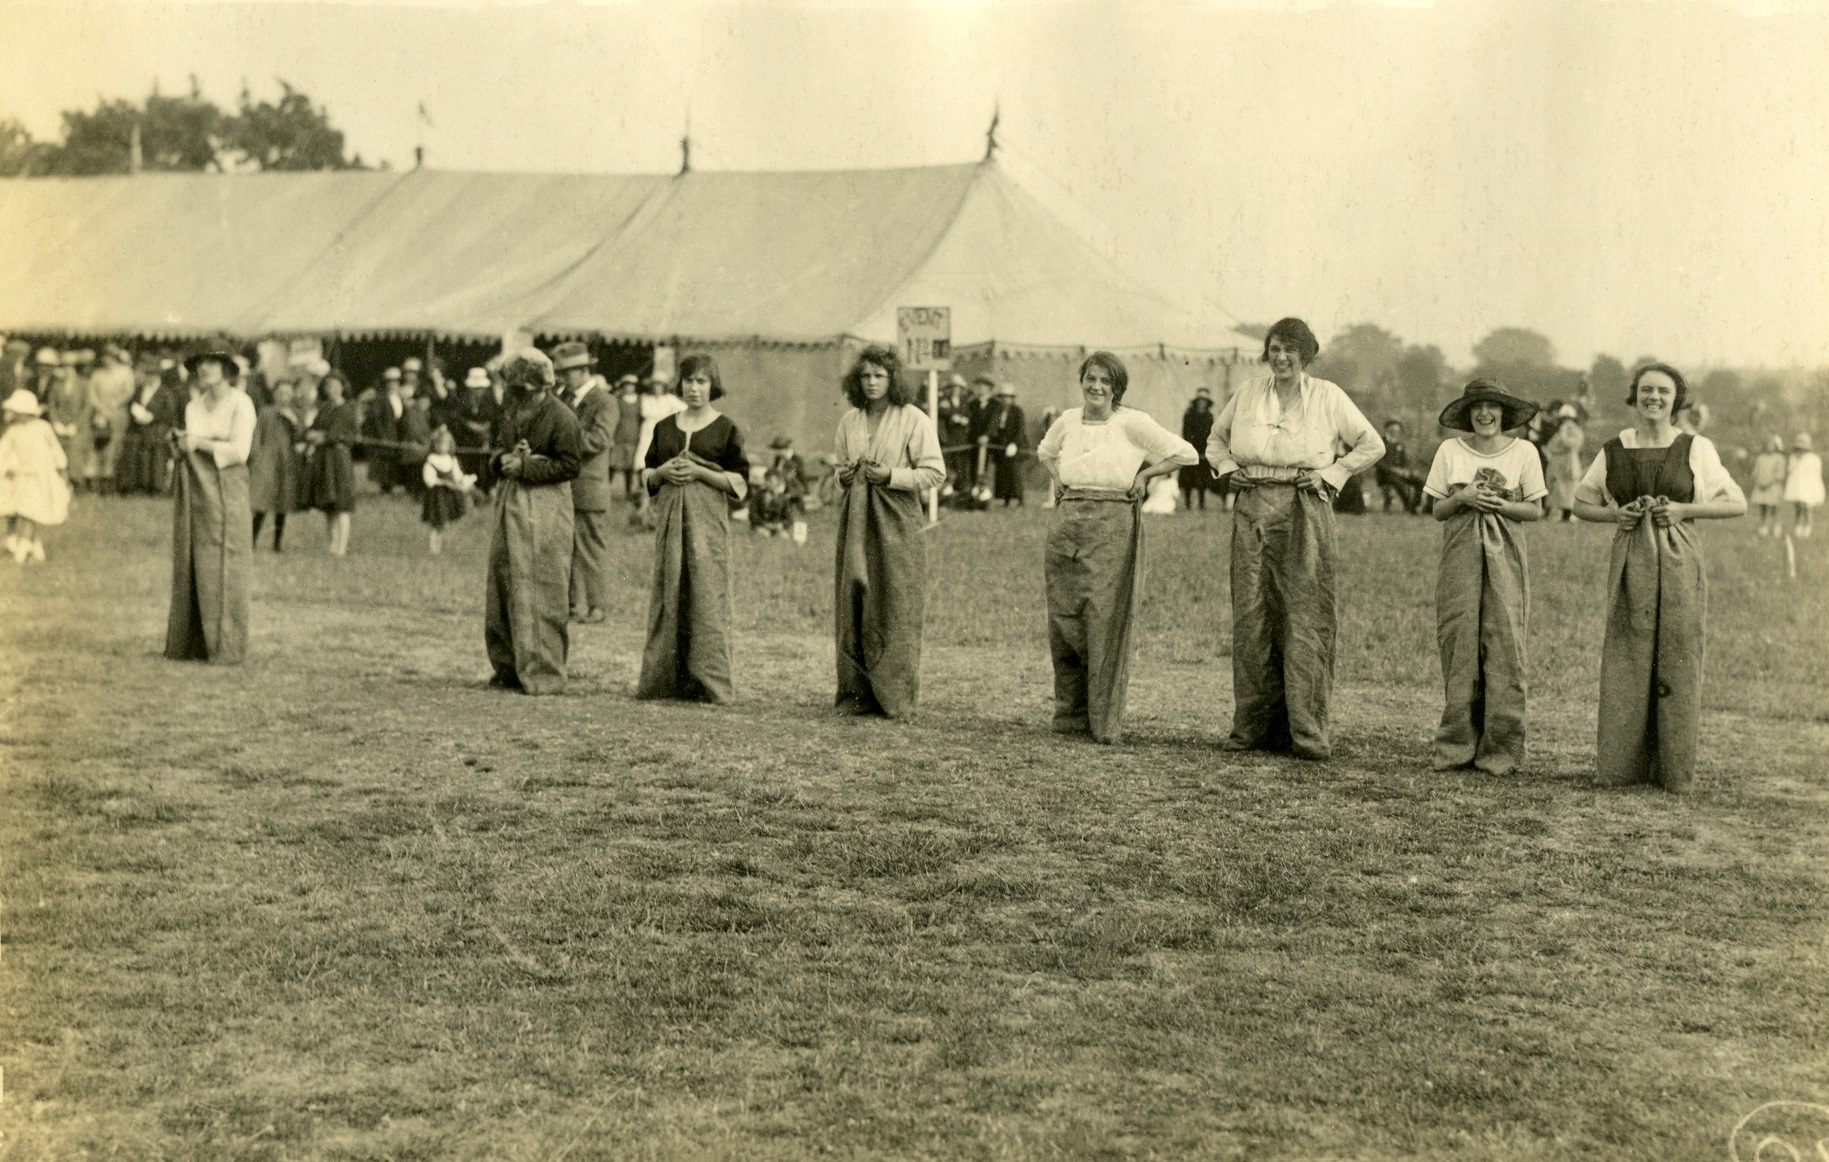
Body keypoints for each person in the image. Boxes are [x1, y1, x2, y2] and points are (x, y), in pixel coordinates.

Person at [1206, 317, 1385, 761]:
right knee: (1252, 616)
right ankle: (1252, 729)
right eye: (1274, 349)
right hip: (1252, 507)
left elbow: (1371, 444)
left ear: (1306, 355)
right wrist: (1231, 470)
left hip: (1305, 507)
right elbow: (1215, 440)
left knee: (1305, 616)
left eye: (1290, 350)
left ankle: (1306, 732)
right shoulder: (1248, 393)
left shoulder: (1327, 396)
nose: (1281, 357)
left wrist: (1333, 473)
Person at [1572, 362, 1745, 791]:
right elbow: (1580, 503)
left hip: (1679, 555)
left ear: (1676, 399)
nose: (1654, 397)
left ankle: (1672, 771)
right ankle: (1621, 769)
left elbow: (1736, 503)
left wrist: (1686, 510)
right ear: (1634, 397)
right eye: (1646, 390)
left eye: (1663, 391)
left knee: (1678, 655)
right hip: (1632, 557)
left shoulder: (1695, 447)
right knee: (1628, 655)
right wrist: (1616, 513)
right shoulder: (1614, 448)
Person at [1037, 351, 1197, 743]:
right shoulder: (1068, 420)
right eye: (1091, 379)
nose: (1096, 387)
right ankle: (1069, 715)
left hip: (1112, 521)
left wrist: (1147, 473)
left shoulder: (1132, 422)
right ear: (1082, 381)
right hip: (1068, 519)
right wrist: (1059, 478)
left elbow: (1186, 453)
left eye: (1105, 381)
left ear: (1117, 388)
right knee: (1065, 618)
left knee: (1102, 618)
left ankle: (1102, 720)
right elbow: (1044, 451)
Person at [1422, 379, 1546, 775]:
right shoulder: (1449, 451)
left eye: (1492, 406)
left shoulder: (1524, 451)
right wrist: (1462, 498)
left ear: (1504, 412)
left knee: (1504, 639)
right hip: (1460, 550)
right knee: (1460, 639)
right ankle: (1457, 745)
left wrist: (1501, 504)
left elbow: (1536, 509)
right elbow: (1438, 510)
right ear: (1467, 413)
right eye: (1477, 407)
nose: (1485, 414)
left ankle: (1501, 749)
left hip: (1506, 552)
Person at [832, 344, 945, 717]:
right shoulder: (850, 421)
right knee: (855, 600)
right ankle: (856, 693)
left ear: (893, 378)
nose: (872, 382)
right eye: (865, 376)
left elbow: (934, 473)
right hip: (857, 518)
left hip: (896, 517)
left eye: (879, 375)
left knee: (895, 601)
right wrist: (844, 475)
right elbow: (837, 472)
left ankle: (894, 696)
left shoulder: (913, 418)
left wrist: (891, 475)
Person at [637, 354, 750, 703]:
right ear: (680, 384)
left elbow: (740, 482)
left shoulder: (726, 429)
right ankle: (665, 680)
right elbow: (647, 473)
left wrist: (701, 473)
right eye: (689, 381)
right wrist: (661, 474)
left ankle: (709, 682)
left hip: (707, 526)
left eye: (702, 381)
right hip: (671, 524)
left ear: (712, 385)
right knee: (670, 590)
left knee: (706, 593)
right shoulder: (665, 427)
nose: (695, 388)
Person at [484, 348, 582, 694]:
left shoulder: (562, 417)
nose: (515, 394)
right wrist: (504, 461)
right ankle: (507, 667)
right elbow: (495, 451)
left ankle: (544, 672)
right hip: (511, 505)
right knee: (504, 581)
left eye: (521, 387)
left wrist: (528, 467)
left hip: (547, 508)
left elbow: (571, 465)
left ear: (539, 385)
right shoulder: (511, 412)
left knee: (542, 585)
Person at [165, 350, 256, 665]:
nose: (204, 368)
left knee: (225, 559)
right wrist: (180, 445)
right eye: (198, 363)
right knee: (195, 556)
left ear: (227, 368)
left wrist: (198, 443)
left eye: (211, 362)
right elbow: (190, 447)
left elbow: (240, 451)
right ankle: (194, 642)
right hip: (196, 486)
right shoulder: (193, 406)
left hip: (228, 486)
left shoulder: (241, 403)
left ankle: (226, 645)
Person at [553, 341, 616, 624]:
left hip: (589, 488)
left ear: (582, 371)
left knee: (590, 549)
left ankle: (596, 606)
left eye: (566, 373)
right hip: (564, 487)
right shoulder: (563, 398)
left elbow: (598, 441)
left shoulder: (605, 402)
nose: (562, 378)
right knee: (567, 548)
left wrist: (562, 441)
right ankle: (574, 605)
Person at [0, 389, 71, 564]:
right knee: (23, 511)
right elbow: (3, 452)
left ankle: (25, 548)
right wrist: (6, 468)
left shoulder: (43, 428)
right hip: (21, 477)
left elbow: (56, 451)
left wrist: (63, 472)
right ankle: (27, 546)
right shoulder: (13, 431)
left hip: (41, 478)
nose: (15, 416)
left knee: (31, 513)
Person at [304, 371, 358, 556]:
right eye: (328, 386)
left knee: (342, 503)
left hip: (339, 459)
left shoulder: (347, 409)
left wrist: (321, 436)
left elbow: (334, 434)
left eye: (336, 385)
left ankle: (341, 547)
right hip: (325, 459)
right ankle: (332, 545)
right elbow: (311, 430)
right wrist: (316, 435)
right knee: (329, 504)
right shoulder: (325, 409)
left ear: (343, 387)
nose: (332, 389)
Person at [248, 380, 305, 551]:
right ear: (274, 394)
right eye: (280, 393)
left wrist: (294, 421)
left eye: (287, 393)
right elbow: (257, 435)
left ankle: (277, 543)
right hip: (267, 461)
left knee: (282, 503)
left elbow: (301, 436)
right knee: (262, 503)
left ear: (293, 395)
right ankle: (251, 542)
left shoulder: (296, 414)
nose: (283, 396)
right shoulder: (266, 412)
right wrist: (256, 457)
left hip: (286, 462)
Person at [116, 359, 185, 496]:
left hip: (158, 427)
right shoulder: (140, 390)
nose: (149, 377)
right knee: (136, 449)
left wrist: (152, 417)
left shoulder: (165, 392)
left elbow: (169, 412)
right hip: (141, 427)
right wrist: (138, 414)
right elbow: (133, 405)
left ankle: (156, 486)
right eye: (147, 374)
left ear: (158, 376)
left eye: (152, 375)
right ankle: (140, 484)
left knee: (156, 450)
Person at [634, 373, 687, 526]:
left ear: (664, 387)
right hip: (648, 432)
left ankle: (659, 506)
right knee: (644, 464)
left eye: (660, 385)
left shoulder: (669, 399)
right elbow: (644, 413)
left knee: (662, 465)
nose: (657, 388)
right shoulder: (646, 399)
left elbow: (684, 409)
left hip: (663, 433)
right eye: (654, 385)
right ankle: (644, 505)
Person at [86, 344, 137, 493]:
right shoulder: (97, 374)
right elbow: (92, 394)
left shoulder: (126, 372)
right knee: (97, 448)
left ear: (115, 357)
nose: (106, 360)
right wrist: (101, 409)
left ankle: (111, 483)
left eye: (109, 357)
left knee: (114, 447)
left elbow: (129, 391)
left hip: (118, 414)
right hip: (100, 415)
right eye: (104, 357)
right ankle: (96, 482)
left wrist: (115, 403)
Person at [420, 425, 475, 555]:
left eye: (445, 444)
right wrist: (444, 483)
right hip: (437, 495)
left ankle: (440, 545)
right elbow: (429, 480)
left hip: (448, 496)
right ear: (434, 445)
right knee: (437, 521)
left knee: (444, 521)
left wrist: (465, 481)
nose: (442, 447)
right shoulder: (431, 460)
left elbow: (457, 476)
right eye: (439, 444)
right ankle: (434, 547)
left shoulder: (451, 460)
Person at [976, 382, 1027, 506]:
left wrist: (1014, 444)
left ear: (1012, 398)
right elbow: (993, 425)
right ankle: (1006, 500)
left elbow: (1020, 430)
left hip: (1014, 445)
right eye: (1003, 397)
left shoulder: (1017, 411)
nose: (1005, 399)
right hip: (1001, 445)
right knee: (1002, 473)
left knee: (1014, 473)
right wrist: (987, 436)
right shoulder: (998, 410)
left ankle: (1020, 500)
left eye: (1008, 397)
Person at [452, 367, 500, 493]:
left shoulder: (490, 400)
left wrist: (484, 427)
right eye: (475, 388)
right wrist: (470, 425)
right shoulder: (464, 400)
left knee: (485, 464)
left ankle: (486, 488)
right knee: (469, 462)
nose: (478, 391)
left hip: (485, 437)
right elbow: (458, 418)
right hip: (467, 438)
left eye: (481, 388)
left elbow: (494, 417)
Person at [362, 367, 405, 494]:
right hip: (386, 434)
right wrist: (382, 434)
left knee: (395, 460)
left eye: (396, 382)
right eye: (390, 382)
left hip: (398, 433)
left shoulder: (400, 398)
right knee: (385, 462)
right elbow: (375, 418)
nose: (393, 385)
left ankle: (392, 484)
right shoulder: (380, 399)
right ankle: (385, 487)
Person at [936, 372, 977, 498]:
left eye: (958, 387)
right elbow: (942, 411)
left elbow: (969, 415)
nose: (955, 390)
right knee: (949, 463)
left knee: (962, 464)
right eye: (953, 387)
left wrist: (965, 419)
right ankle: (948, 490)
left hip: (962, 437)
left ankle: (962, 491)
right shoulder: (944, 400)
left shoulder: (965, 401)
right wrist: (952, 417)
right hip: (948, 436)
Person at [1543, 406, 1586, 522]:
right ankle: (1558, 513)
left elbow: (1570, 445)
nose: (1567, 421)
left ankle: (1570, 513)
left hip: (1569, 462)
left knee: (1570, 488)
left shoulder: (1576, 431)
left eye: (1569, 418)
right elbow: (1551, 446)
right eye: (1564, 418)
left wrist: (1564, 433)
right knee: (1557, 488)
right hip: (1558, 462)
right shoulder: (1560, 430)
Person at [1374, 419, 1423, 514]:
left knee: (1420, 482)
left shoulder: (1399, 444)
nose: (1396, 433)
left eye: (1397, 431)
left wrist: (1407, 470)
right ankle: (1409, 507)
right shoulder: (1380, 443)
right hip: (1385, 475)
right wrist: (1394, 470)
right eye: (1393, 430)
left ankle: (1415, 506)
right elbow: (1379, 463)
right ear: (1387, 430)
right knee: (1397, 482)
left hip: (1399, 473)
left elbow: (1405, 461)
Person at [608, 373, 644, 500]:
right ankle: (606, 489)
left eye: (632, 386)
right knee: (613, 463)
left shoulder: (639, 400)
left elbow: (641, 418)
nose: (629, 388)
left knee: (629, 466)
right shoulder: (618, 400)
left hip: (633, 436)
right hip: (619, 435)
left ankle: (628, 491)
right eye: (627, 385)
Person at [1180, 389, 1217, 510]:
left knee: (1203, 479)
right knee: (1188, 479)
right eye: (1200, 400)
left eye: (1204, 401)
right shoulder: (1189, 415)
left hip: (1204, 452)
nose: (1202, 403)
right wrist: (1192, 450)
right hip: (1191, 450)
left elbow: (1211, 434)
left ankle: (1201, 503)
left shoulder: (1209, 417)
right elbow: (1186, 433)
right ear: (1196, 402)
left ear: (1207, 403)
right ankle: (1188, 503)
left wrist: (1206, 451)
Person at [1784, 433, 1823, 539]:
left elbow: (1816, 474)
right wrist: (1796, 461)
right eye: (1798, 448)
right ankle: (1798, 526)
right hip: (1797, 486)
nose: (1801, 451)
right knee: (1798, 507)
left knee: (1807, 508)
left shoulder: (1814, 458)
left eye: (1803, 448)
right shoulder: (1793, 458)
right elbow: (1790, 471)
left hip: (1808, 487)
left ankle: (1808, 527)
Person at [1749, 435, 1789, 536]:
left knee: (1774, 508)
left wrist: (1768, 483)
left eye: (1771, 445)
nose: (1769, 447)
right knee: (1763, 507)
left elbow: (1780, 474)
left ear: (1776, 446)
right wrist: (1758, 481)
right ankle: (1763, 526)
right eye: (1767, 445)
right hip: (1761, 486)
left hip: (1773, 486)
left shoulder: (1780, 458)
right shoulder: (1761, 458)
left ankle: (1776, 527)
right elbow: (1756, 471)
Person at [748, 469, 805, 539]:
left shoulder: (782, 498)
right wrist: (764, 524)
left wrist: (781, 524)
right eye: (766, 480)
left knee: (785, 538)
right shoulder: (758, 495)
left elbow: (788, 517)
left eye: (771, 481)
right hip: (761, 525)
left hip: (776, 526)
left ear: (778, 483)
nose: (768, 483)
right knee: (765, 535)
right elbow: (752, 514)